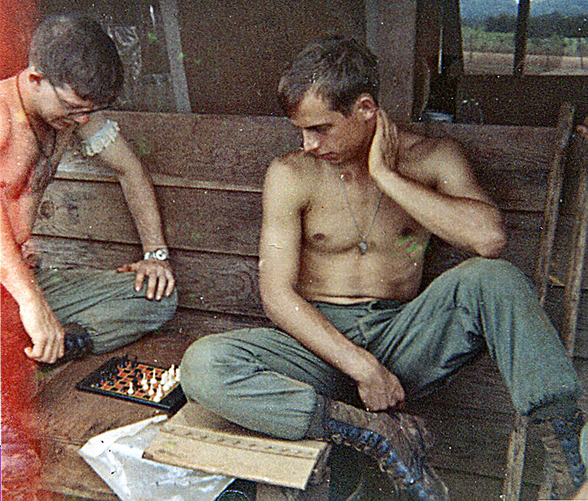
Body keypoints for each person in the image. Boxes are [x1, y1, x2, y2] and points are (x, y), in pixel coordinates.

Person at [180, 36, 585, 500]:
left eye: (320, 128)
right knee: (203, 364)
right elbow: (276, 295)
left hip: (402, 339)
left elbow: (488, 239)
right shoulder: (291, 174)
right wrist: (362, 368)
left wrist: (388, 176)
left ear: (366, 109)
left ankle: (571, 463)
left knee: (496, 278)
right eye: (302, 131)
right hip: (316, 348)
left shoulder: (432, 158)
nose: (308, 144)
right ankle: (379, 434)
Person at [0, 14, 177, 498]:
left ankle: (52, 345)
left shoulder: (72, 114)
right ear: (35, 78)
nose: (81, 120)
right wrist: (32, 304)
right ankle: (29, 350)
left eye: (88, 111)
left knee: (156, 298)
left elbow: (131, 171)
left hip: (24, 279)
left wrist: (155, 255)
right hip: (13, 287)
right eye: (74, 107)